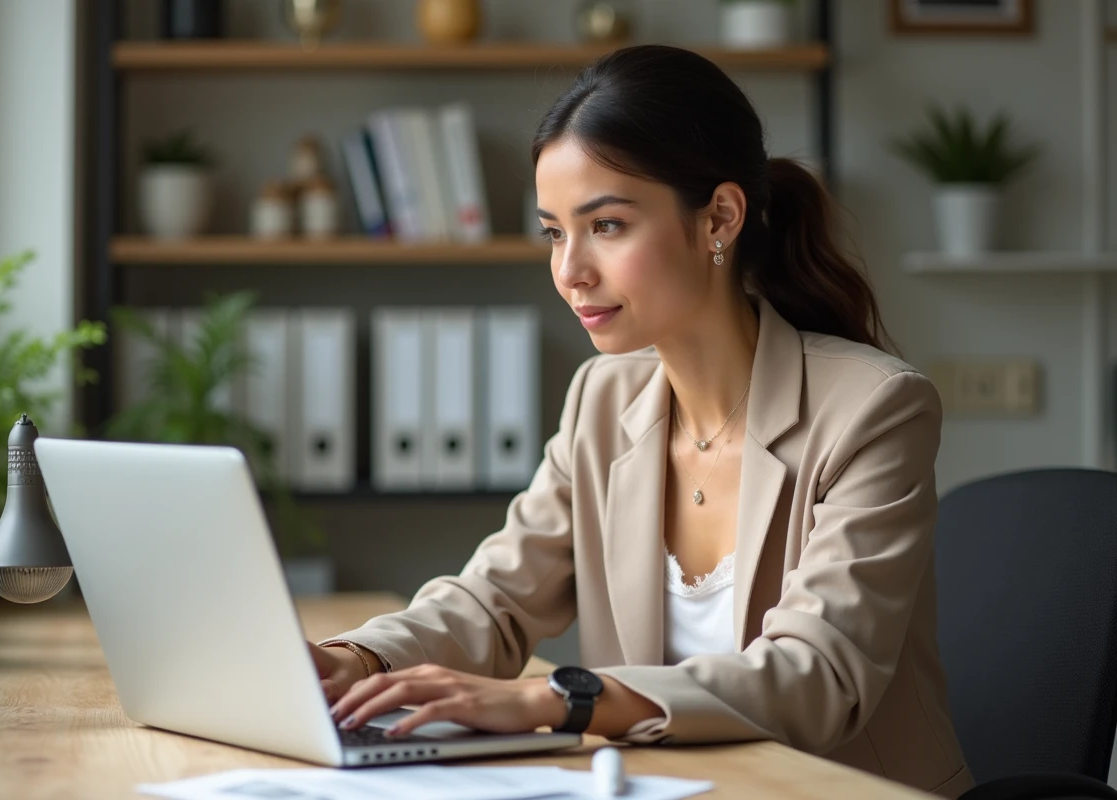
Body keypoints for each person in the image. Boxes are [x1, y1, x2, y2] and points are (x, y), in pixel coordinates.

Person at [308, 44, 972, 798]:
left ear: (718, 217)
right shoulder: (603, 397)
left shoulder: (874, 409)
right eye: (555, 232)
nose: (571, 271)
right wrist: (353, 660)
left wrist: (560, 698)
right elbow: (494, 603)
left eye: (609, 225)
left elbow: (816, 676)